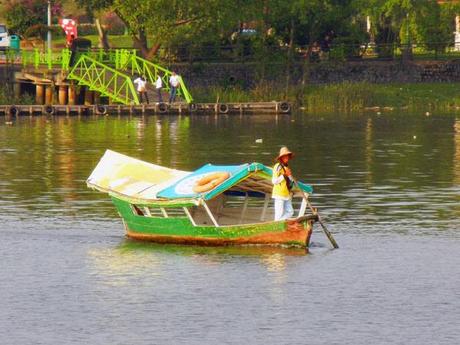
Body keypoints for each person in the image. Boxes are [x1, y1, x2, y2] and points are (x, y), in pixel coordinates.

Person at [272, 146, 295, 221]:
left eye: (287, 156)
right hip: (279, 194)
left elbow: (291, 181)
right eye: (284, 156)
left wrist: (290, 176)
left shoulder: (287, 167)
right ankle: (277, 225)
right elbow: (274, 181)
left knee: (290, 212)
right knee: (278, 215)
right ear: (281, 158)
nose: (286, 158)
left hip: (286, 194)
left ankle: (279, 223)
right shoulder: (277, 167)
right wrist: (284, 175)